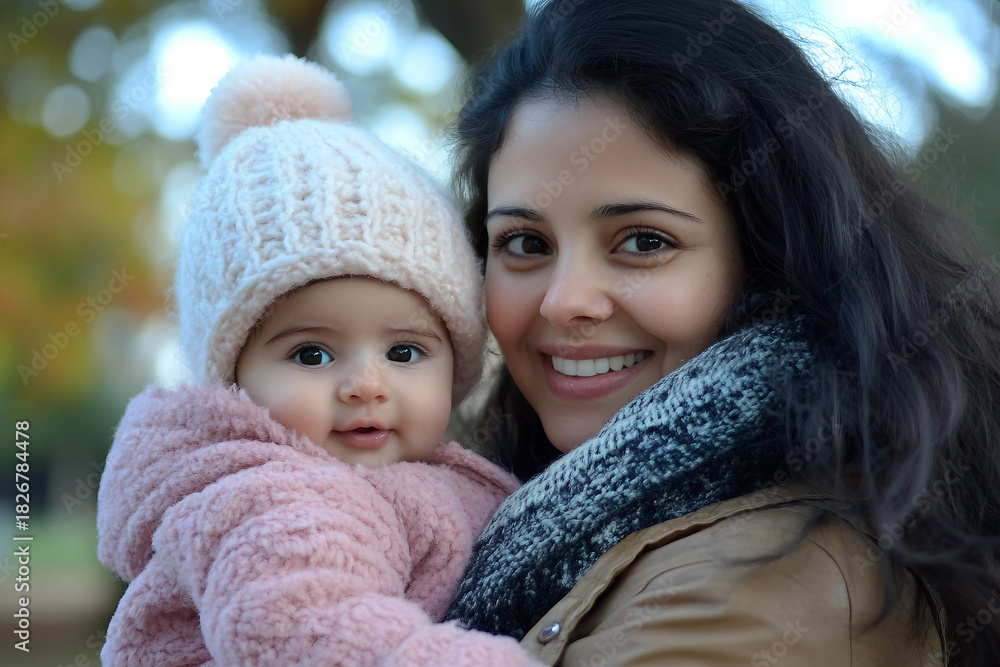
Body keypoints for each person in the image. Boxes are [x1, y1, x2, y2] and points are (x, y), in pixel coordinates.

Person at [441, 0, 1000, 665]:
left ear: (770, 258)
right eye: (524, 242)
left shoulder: (765, 585)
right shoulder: (493, 515)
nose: (564, 302)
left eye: (643, 241)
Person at [96, 54, 542, 666]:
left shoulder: (396, 477)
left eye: (404, 351)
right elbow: (302, 627)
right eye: (311, 354)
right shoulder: (275, 498)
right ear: (233, 382)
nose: (365, 384)